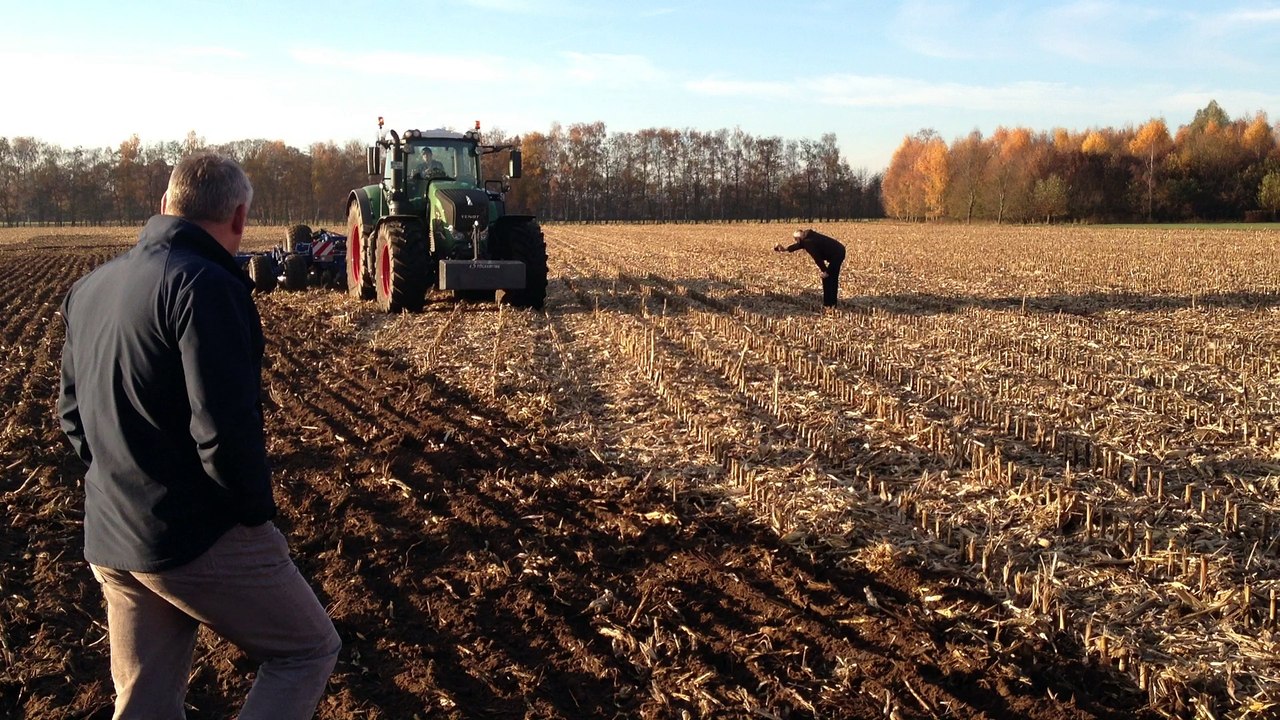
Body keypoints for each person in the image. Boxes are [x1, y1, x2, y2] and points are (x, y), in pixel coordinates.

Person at [58, 152, 340, 720]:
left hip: (113, 535)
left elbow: (73, 417)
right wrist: (254, 515)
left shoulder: (91, 288)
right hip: (191, 536)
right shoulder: (204, 285)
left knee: (145, 700)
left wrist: (123, 482)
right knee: (307, 650)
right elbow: (223, 430)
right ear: (239, 218)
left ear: (165, 206)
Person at [774, 228, 847, 308]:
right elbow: (798, 245)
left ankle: (830, 304)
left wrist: (825, 271)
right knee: (830, 278)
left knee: (828, 278)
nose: (795, 241)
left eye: (795, 239)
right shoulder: (807, 237)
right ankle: (831, 303)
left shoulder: (808, 242)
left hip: (837, 255)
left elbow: (817, 258)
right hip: (838, 251)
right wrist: (785, 249)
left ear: (799, 238)